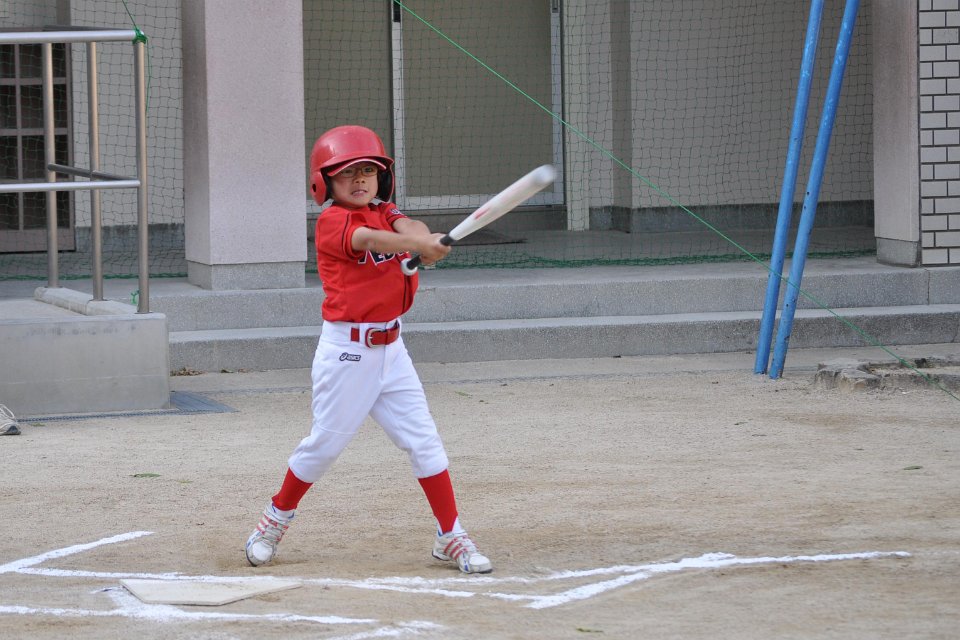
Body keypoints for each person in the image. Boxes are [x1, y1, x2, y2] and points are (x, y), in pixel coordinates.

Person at [245, 125, 492, 574]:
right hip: (348, 353)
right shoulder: (333, 221)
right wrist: (417, 245)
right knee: (323, 447)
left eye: (368, 171)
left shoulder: (385, 211)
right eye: (347, 173)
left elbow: (406, 225)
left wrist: (426, 239)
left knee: (425, 443)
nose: (359, 180)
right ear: (325, 182)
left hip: (393, 351)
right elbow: (369, 241)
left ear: (382, 178)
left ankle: (450, 534)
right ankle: (275, 519)